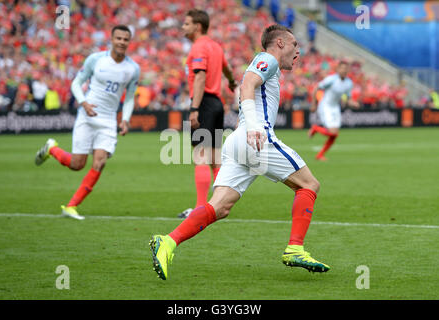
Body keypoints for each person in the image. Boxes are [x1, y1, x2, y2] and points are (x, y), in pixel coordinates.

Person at [150, 24, 330, 280]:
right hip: (256, 138)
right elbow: (246, 86)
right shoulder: (268, 59)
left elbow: (247, 92)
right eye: (294, 45)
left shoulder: (263, 63)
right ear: (279, 43)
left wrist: (246, 128)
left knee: (219, 207)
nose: (297, 52)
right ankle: (295, 248)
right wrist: (255, 128)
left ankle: (167, 241)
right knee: (309, 185)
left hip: (238, 140)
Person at [34, 25, 140, 220]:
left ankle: (71, 206)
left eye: (126, 39)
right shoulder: (96, 60)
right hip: (87, 116)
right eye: (119, 38)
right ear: (111, 39)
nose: (122, 42)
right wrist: (83, 102)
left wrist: (125, 119)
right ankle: (52, 149)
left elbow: (131, 97)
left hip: (108, 120)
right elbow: (76, 82)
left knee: (100, 161)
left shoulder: (133, 69)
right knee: (77, 164)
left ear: (129, 42)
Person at [177, 9, 237, 219]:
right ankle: (218, 205)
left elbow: (200, 76)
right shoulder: (215, 46)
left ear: (197, 26)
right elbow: (227, 69)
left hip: (204, 103)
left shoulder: (199, 47)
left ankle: (201, 208)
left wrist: (194, 108)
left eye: (186, 24)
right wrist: (231, 82)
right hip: (217, 104)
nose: (183, 27)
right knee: (215, 158)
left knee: (200, 157)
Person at [308, 60, 359, 161]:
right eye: (342, 68)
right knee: (332, 132)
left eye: (346, 69)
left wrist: (353, 103)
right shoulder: (331, 79)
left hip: (335, 107)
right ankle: (315, 128)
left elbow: (347, 99)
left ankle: (320, 155)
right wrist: (314, 103)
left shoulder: (348, 83)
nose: (344, 70)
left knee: (334, 135)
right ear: (338, 69)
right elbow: (316, 88)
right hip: (325, 106)